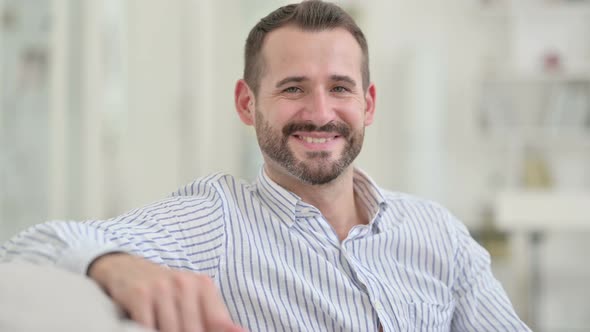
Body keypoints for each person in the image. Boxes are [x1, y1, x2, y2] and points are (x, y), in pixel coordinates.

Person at [0, 1, 530, 331]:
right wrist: (115, 265)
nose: (321, 113)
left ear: (367, 104)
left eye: (339, 89)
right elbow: (26, 248)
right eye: (293, 88)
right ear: (247, 103)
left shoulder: (436, 231)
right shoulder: (217, 222)